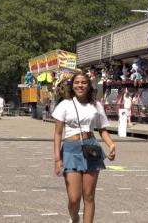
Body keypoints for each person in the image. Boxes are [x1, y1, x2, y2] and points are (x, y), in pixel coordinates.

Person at [53, 72, 116, 223]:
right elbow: (57, 134)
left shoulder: (96, 105)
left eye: (83, 82)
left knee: (89, 196)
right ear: (72, 85)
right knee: (74, 198)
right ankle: (74, 218)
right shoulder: (65, 105)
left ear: (88, 85)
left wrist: (111, 145)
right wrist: (57, 159)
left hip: (91, 149)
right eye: (77, 82)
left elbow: (102, 129)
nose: (80, 85)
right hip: (70, 150)